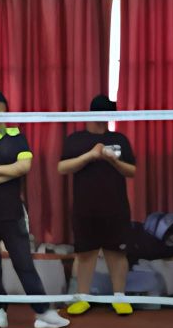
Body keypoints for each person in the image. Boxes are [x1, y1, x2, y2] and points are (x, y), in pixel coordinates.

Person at [0, 92, 71, 328]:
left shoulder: (17, 138)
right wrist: (2, 173)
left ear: (6, 112)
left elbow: (23, 167)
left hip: (12, 213)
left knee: (24, 262)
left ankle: (43, 312)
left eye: (0, 110)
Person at [59, 96, 138, 316]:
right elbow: (62, 167)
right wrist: (90, 156)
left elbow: (132, 171)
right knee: (86, 253)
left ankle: (119, 298)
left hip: (115, 206)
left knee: (117, 253)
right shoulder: (76, 139)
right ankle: (83, 298)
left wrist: (113, 161)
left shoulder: (119, 139)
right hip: (85, 207)